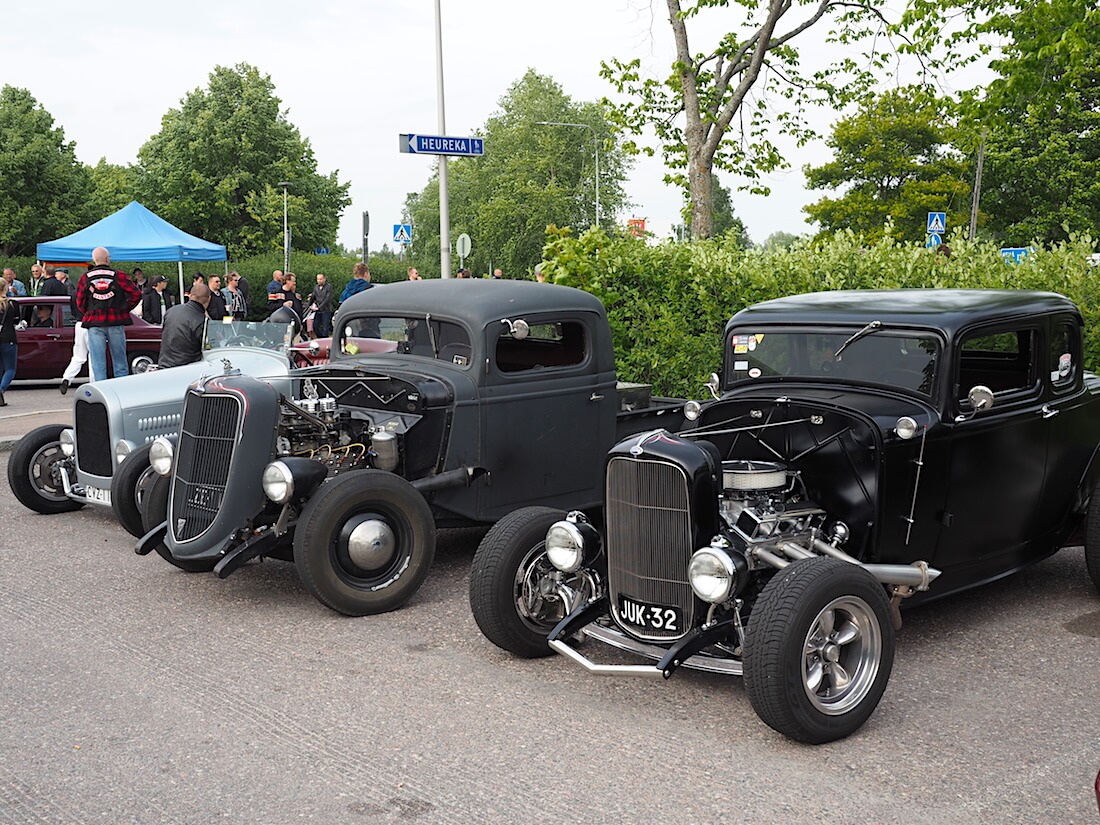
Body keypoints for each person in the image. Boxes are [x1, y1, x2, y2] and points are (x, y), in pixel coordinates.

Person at [76, 246, 142, 382]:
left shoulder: (85, 277)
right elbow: (136, 294)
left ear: (94, 260)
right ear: (107, 259)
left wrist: (89, 312)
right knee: (120, 362)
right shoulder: (119, 275)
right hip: (116, 321)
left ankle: (102, 394)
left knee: (98, 364)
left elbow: (79, 300)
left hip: (94, 323)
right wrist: (124, 309)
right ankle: (122, 392)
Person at [158, 283, 211, 368]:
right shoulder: (201, 321)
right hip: (187, 368)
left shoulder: (171, 311)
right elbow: (208, 347)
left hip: (164, 364)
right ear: (209, 299)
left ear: (190, 295)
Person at [0, 277, 17, 405]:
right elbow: (17, 320)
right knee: (10, 368)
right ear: (5, 288)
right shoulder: (11, 304)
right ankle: (1, 390)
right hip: (8, 338)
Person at [307, 273, 333, 338]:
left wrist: (319, 307)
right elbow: (313, 296)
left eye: (321, 279)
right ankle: (320, 337)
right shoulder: (316, 287)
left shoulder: (328, 287)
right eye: (318, 279)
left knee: (325, 327)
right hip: (318, 310)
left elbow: (327, 299)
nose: (319, 281)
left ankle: (325, 339)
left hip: (326, 309)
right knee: (315, 326)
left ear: (324, 279)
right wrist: (309, 305)